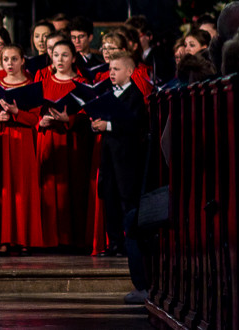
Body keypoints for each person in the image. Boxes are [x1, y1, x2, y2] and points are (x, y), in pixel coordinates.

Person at [89, 53, 150, 304]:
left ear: (129, 71)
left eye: (116, 69)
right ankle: (114, 242)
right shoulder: (109, 92)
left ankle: (127, 245)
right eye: (110, 69)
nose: (111, 73)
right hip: (110, 158)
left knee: (127, 201)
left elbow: (136, 125)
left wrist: (109, 126)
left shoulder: (134, 95)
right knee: (110, 197)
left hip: (126, 159)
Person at [0, 43, 42, 253]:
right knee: (3, 188)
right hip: (2, 139)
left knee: (22, 188)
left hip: (23, 140)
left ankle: (24, 239)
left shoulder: (31, 85)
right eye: (6, 59)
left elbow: (35, 118)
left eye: (14, 59)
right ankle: (3, 239)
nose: (9, 63)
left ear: (23, 60)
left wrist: (17, 112)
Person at [37, 38, 87, 248]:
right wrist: (41, 121)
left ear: (73, 58)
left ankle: (72, 239)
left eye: (65, 55)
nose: (59, 59)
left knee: (72, 189)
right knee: (48, 189)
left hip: (72, 141)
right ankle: (49, 239)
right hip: (49, 140)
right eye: (56, 55)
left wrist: (71, 119)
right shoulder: (43, 83)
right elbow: (32, 112)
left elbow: (88, 114)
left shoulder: (82, 84)